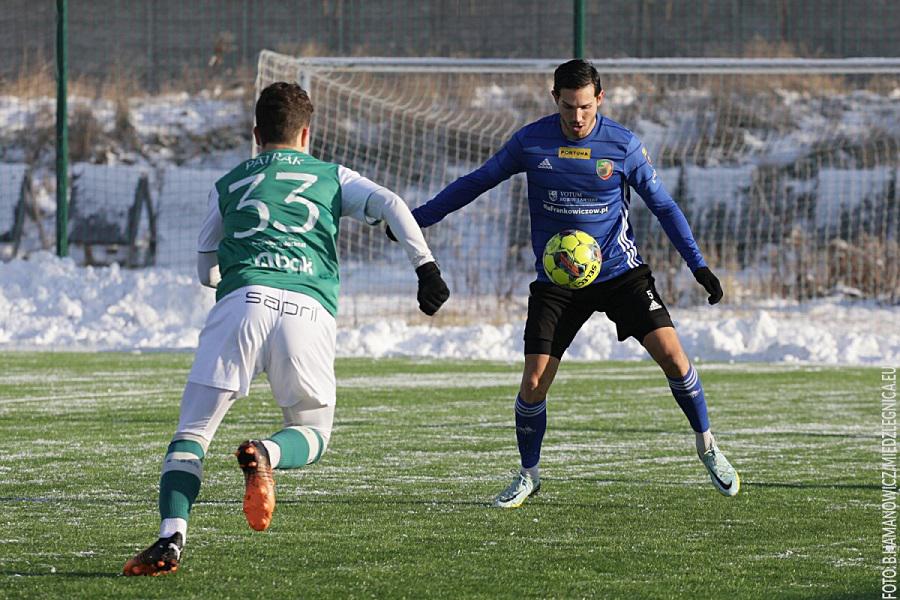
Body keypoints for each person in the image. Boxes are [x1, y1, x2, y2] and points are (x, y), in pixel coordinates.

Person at [123, 82, 450, 576]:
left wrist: (229, 280)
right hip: (306, 310)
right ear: (306, 133)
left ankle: (172, 536)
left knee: (191, 435)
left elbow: (205, 267)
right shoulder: (330, 175)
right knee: (313, 433)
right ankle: (266, 453)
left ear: (256, 134)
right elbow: (390, 203)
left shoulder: (229, 183)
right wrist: (425, 267)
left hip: (241, 305)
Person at [396, 59, 739, 508]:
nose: (577, 118)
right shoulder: (531, 141)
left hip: (619, 273)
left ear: (599, 99)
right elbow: (477, 182)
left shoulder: (622, 146)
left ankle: (708, 446)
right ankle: (528, 475)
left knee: (675, 358)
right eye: (568, 107)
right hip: (559, 279)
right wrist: (415, 220)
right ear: (554, 97)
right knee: (534, 381)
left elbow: (664, 207)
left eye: (585, 108)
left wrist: (698, 266)